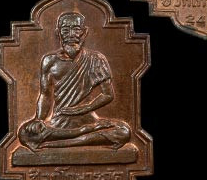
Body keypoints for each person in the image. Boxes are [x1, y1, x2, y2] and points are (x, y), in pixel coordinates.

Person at [18, 12, 130, 151]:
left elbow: (108, 94)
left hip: (88, 119)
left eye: (76, 29)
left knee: (124, 131)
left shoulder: (96, 59)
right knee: (24, 133)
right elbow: (45, 94)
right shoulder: (49, 61)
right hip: (59, 122)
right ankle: (83, 136)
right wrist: (39, 119)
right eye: (65, 30)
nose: (71, 35)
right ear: (58, 33)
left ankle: (65, 141)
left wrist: (84, 108)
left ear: (84, 32)